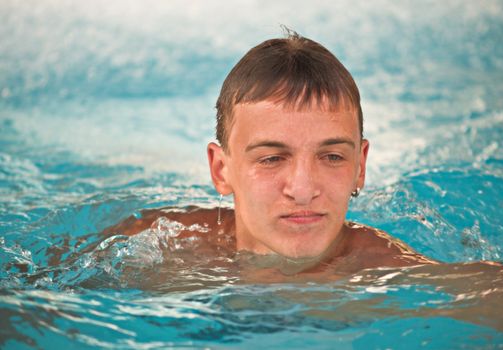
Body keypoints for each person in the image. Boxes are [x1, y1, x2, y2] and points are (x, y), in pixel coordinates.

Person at [107, 31, 436, 272]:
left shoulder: (392, 273)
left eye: (332, 156)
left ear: (360, 167)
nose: (303, 190)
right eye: (272, 159)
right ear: (221, 170)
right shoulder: (154, 248)